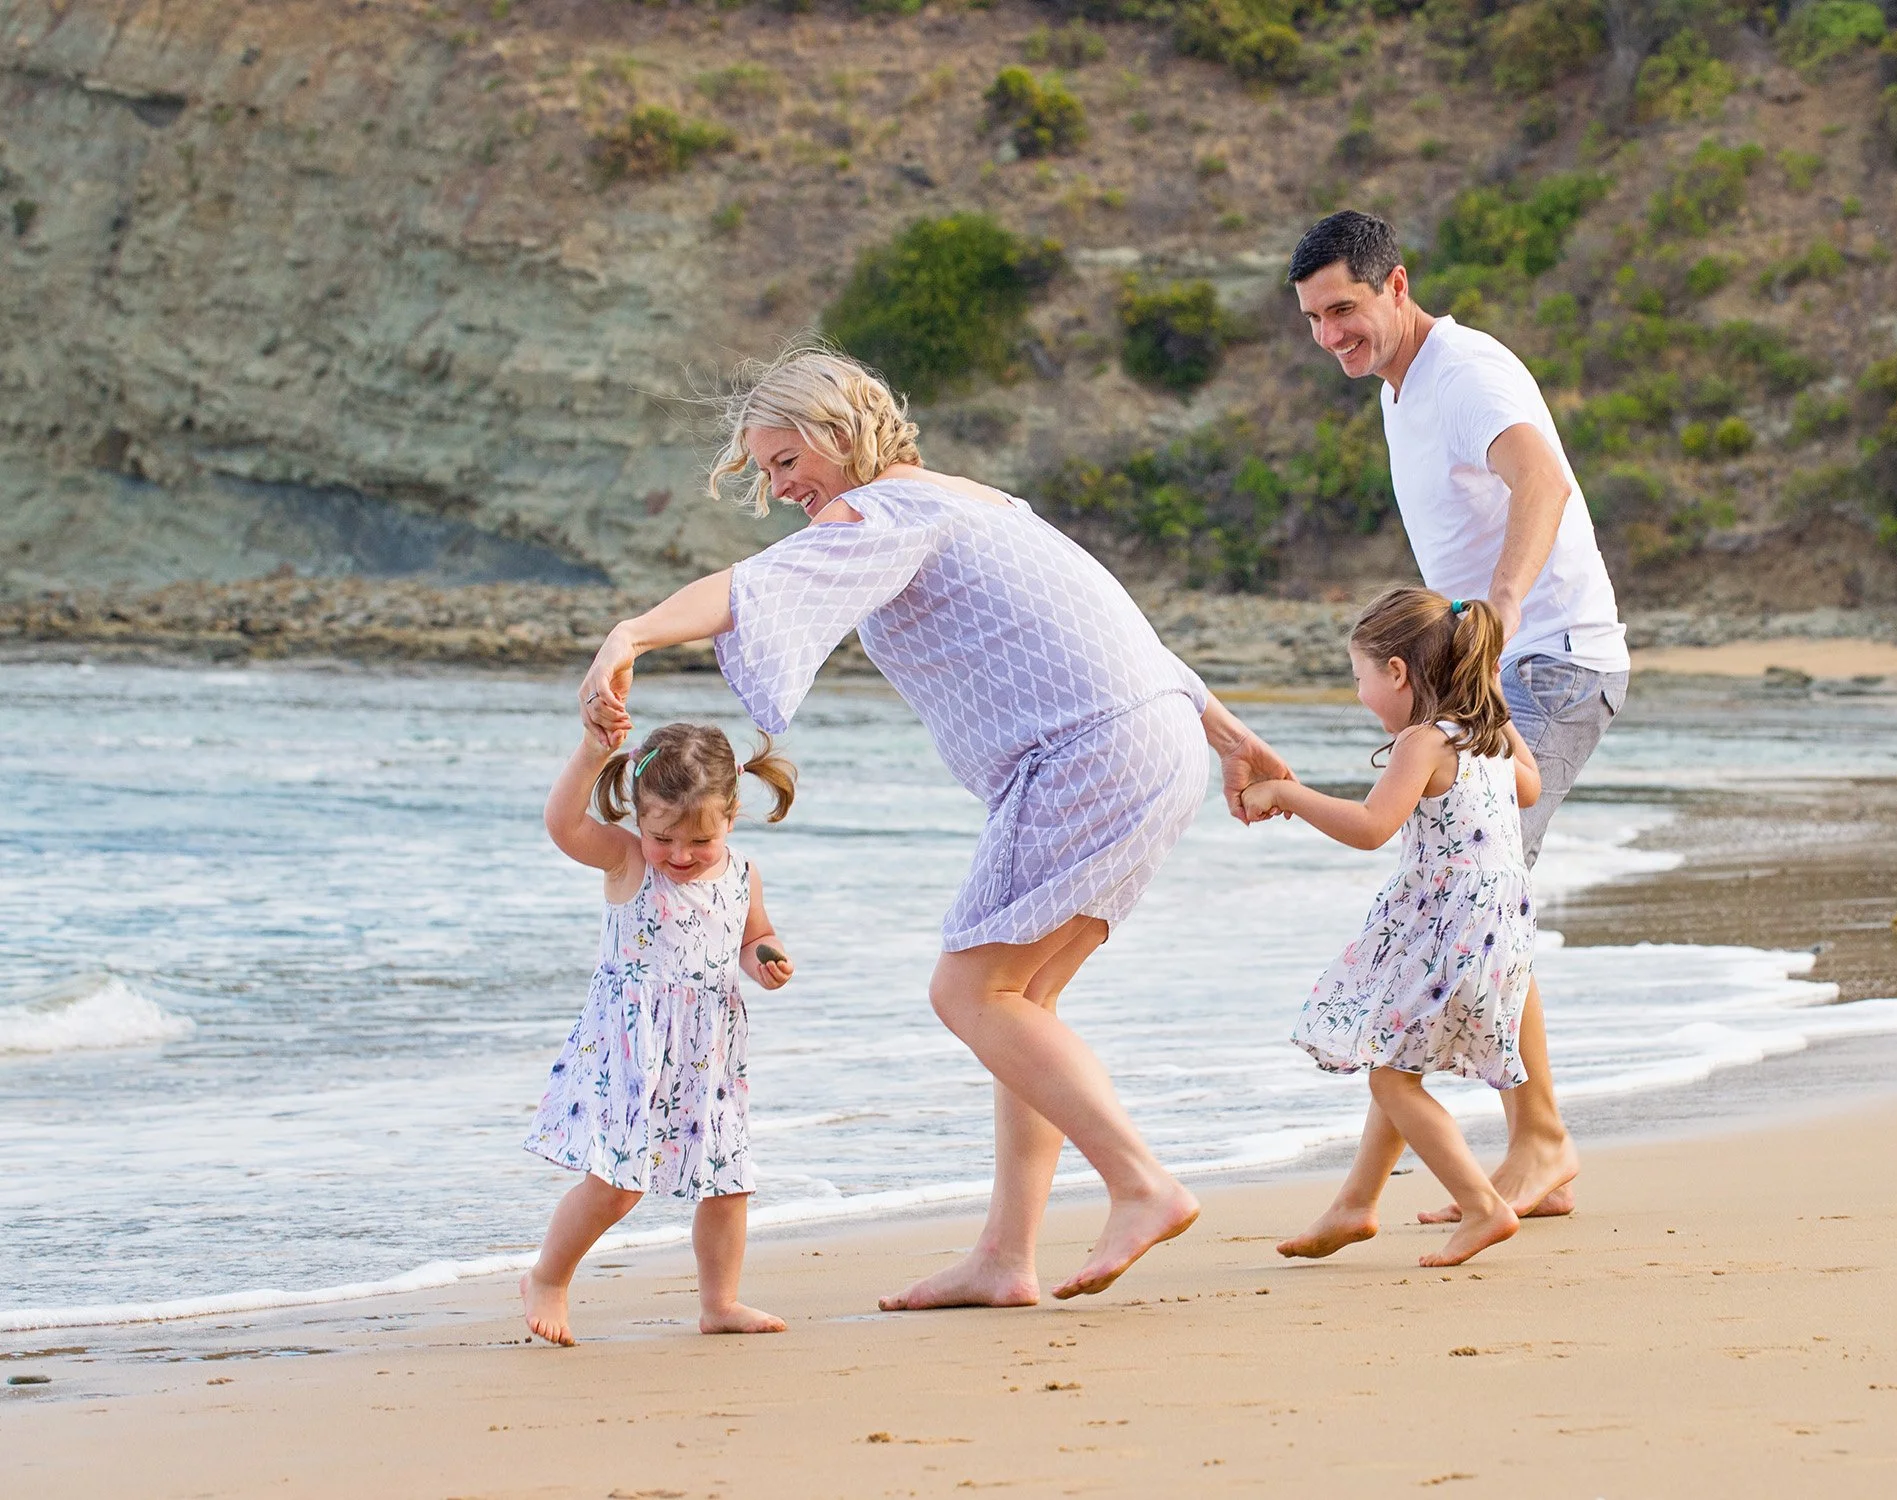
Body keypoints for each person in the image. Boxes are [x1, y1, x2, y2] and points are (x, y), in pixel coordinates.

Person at [577, 347, 1294, 1307]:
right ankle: (1007, 1257)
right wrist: (1228, 734)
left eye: (788, 462)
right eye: (766, 471)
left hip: (1087, 752)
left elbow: (753, 589)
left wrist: (631, 633)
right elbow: (1117, 629)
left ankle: (1139, 1181)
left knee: (970, 994)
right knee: (1020, 1003)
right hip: (1150, 736)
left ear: (839, 435)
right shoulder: (974, 499)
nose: (782, 488)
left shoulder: (882, 510)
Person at [1285, 210, 1632, 1221]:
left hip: (1549, 665)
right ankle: (1509, 1153)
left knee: (1475, 889)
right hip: (1496, 678)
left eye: (1343, 309)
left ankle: (1538, 1142)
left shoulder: (1465, 371)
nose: (1329, 336)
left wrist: (1506, 607)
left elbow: (1543, 479)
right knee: (1463, 891)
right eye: (1312, 319)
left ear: (1397, 286)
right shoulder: (1400, 387)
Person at [1242, 589, 1542, 1267]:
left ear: (1398, 673)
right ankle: (1355, 1205)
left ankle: (1482, 1206)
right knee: (1393, 1060)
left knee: (1390, 1080)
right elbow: (1533, 786)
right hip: (1495, 934)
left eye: (1360, 677)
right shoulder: (1483, 738)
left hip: (1446, 934)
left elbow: (1373, 827)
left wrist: (1287, 793)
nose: (1361, 694)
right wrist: (1493, 698)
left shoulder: (1423, 741)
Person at [519, 719, 799, 1347]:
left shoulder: (743, 873)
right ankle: (548, 1278)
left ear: (732, 814)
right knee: (619, 1183)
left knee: (730, 1180)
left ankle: (720, 1302)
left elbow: (752, 938)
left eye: (699, 838)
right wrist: (594, 751)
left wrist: (767, 960)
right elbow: (563, 825)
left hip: (708, 1053)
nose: (678, 854)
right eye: (661, 836)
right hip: (632, 1047)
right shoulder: (626, 861)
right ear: (638, 820)